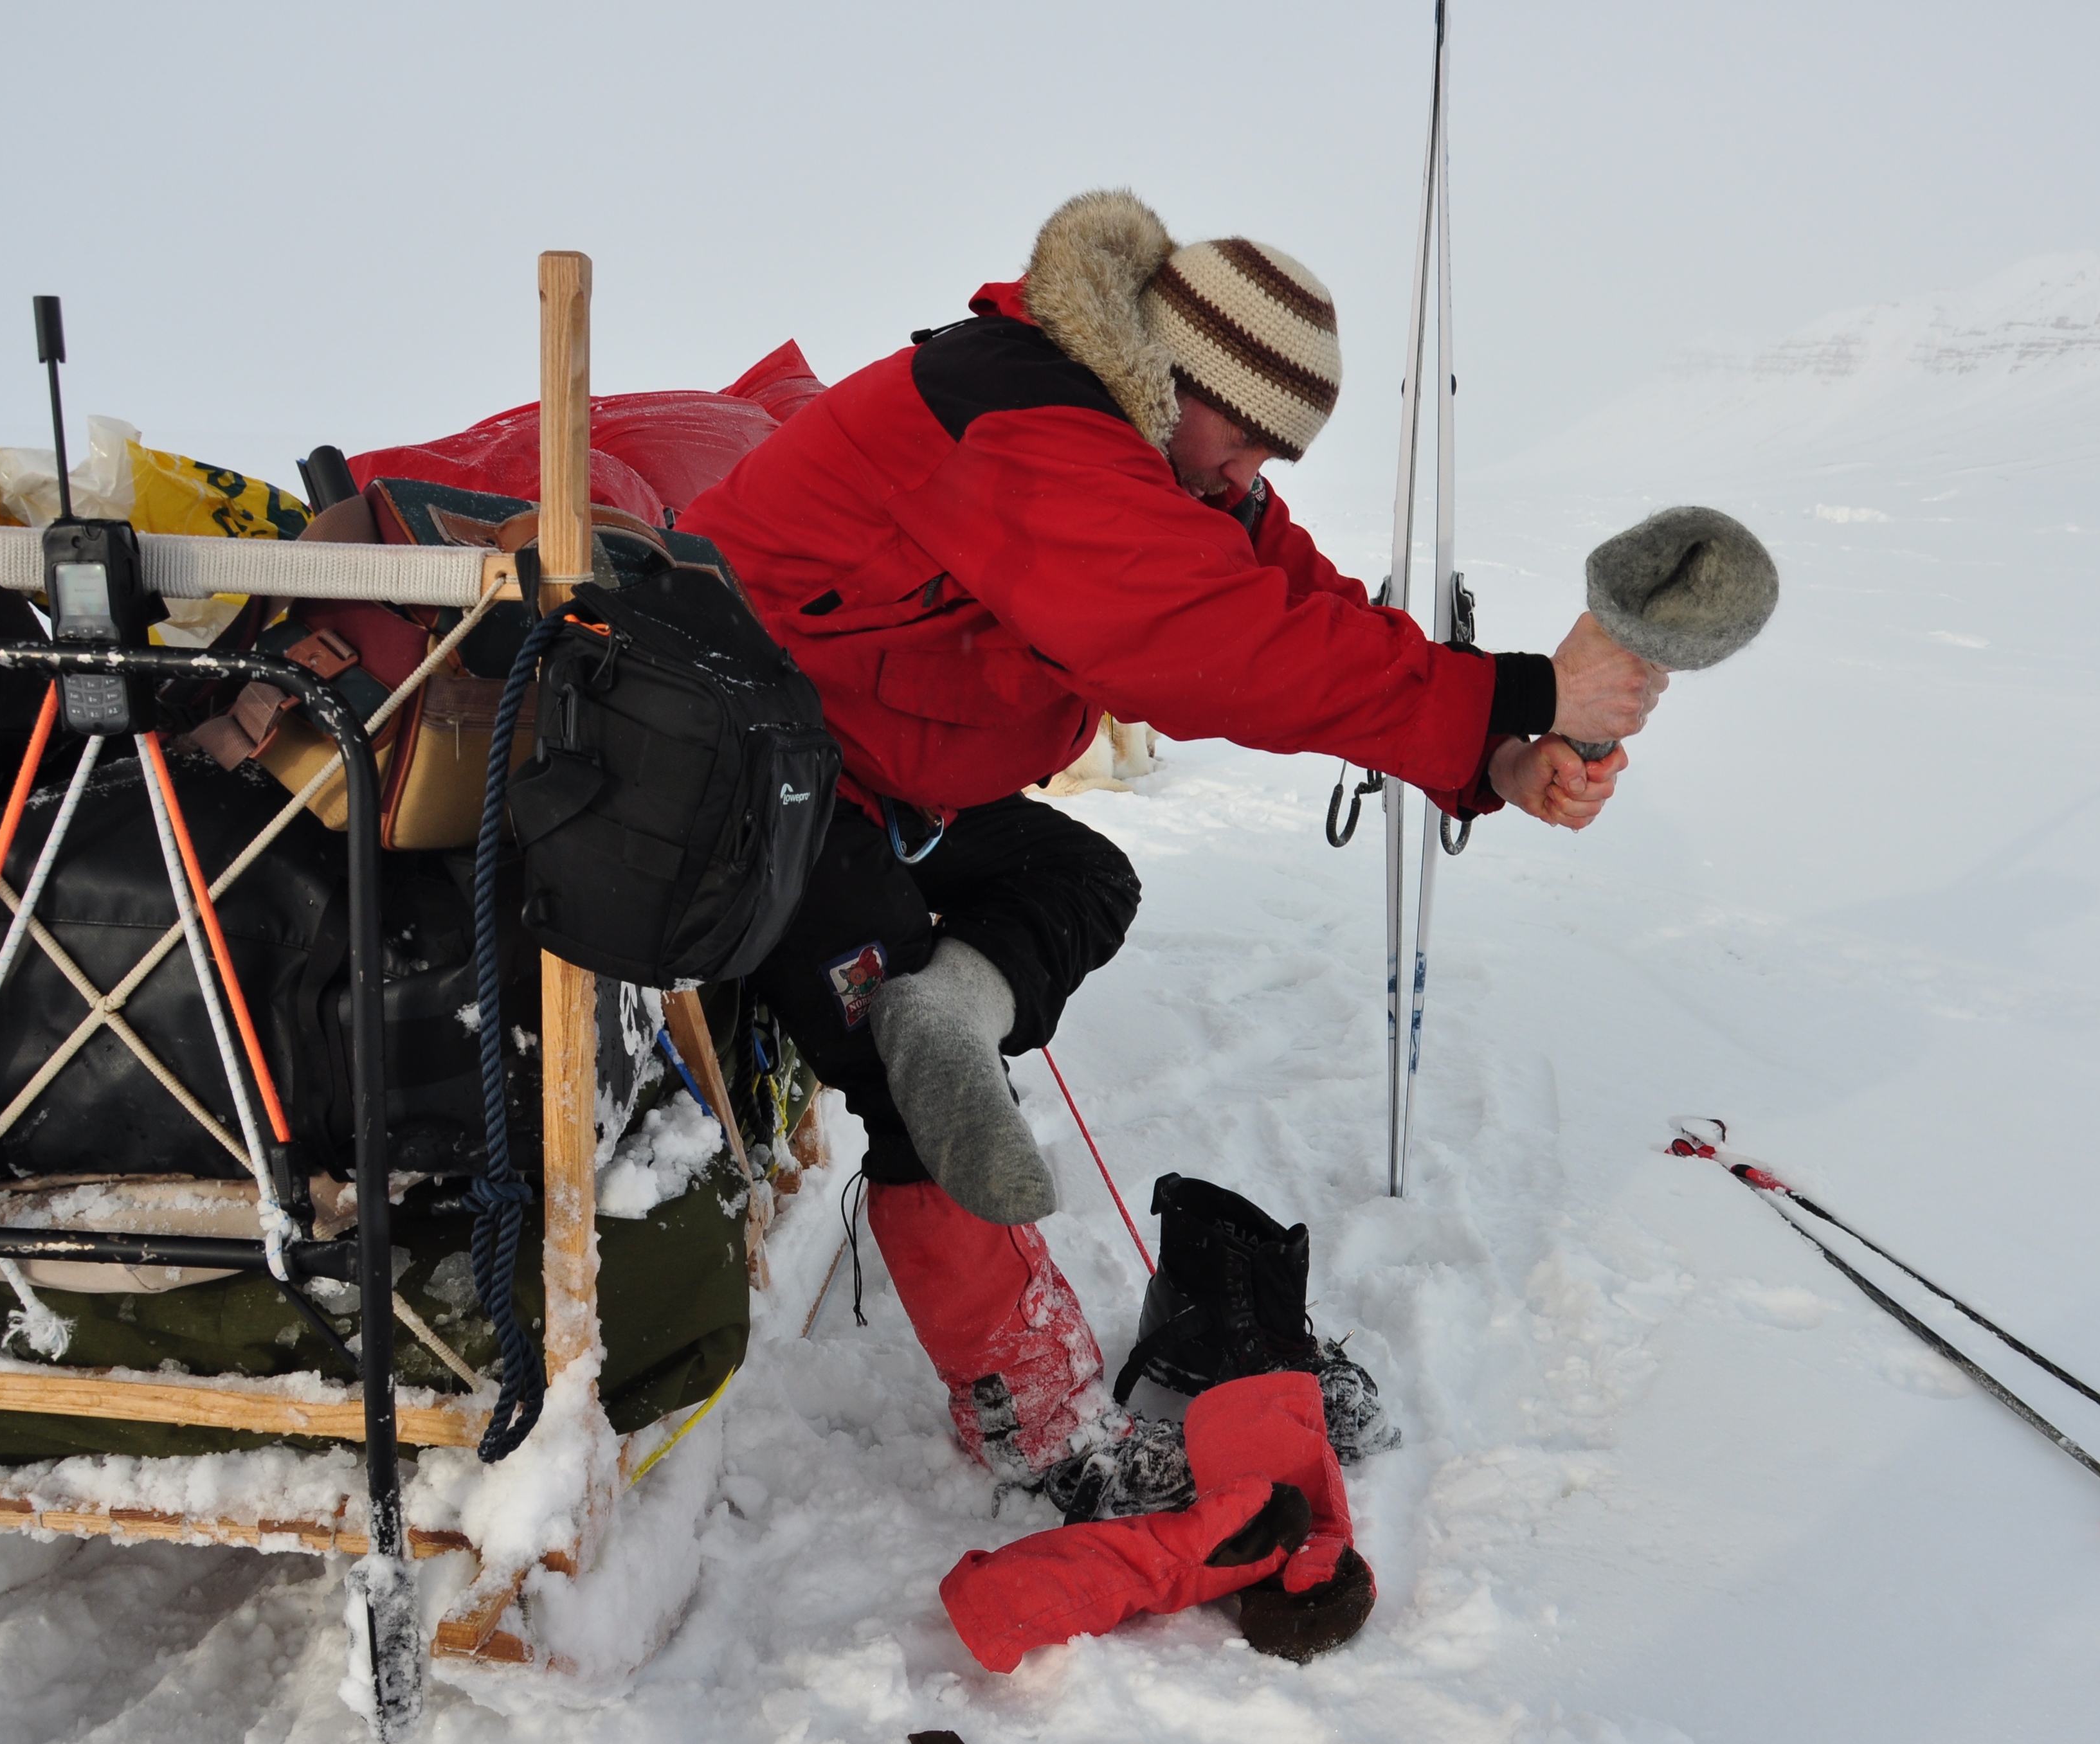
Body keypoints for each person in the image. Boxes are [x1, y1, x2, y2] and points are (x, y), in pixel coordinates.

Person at [676, 191, 1665, 1516]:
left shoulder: (1151, 446)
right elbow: (1214, 645)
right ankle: (1039, 1437)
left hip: (864, 775)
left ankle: (943, 1006)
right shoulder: (1024, 416)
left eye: (1272, 461)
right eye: (1246, 443)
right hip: (738, 779)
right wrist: (1520, 693)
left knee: (1078, 876)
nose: (1246, 480)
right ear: (1174, 376)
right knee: (914, 1103)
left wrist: (1481, 752)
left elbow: (1288, 599)